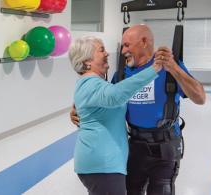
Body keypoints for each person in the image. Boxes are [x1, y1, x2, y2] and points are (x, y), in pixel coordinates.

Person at [71, 25, 206, 195]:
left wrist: (173, 68)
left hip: (164, 149)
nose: (122, 51)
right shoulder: (121, 74)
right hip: (134, 148)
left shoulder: (169, 67)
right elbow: (104, 97)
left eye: (127, 45)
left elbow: (200, 97)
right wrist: (77, 108)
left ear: (143, 42)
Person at [69, 36, 165, 195]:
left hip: (104, 163)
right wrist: (154, 69)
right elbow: (115, 95)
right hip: (102, 164)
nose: (107, 53)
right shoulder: (90, 84)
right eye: (101, 50)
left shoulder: (94, 84)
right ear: (87, 61)